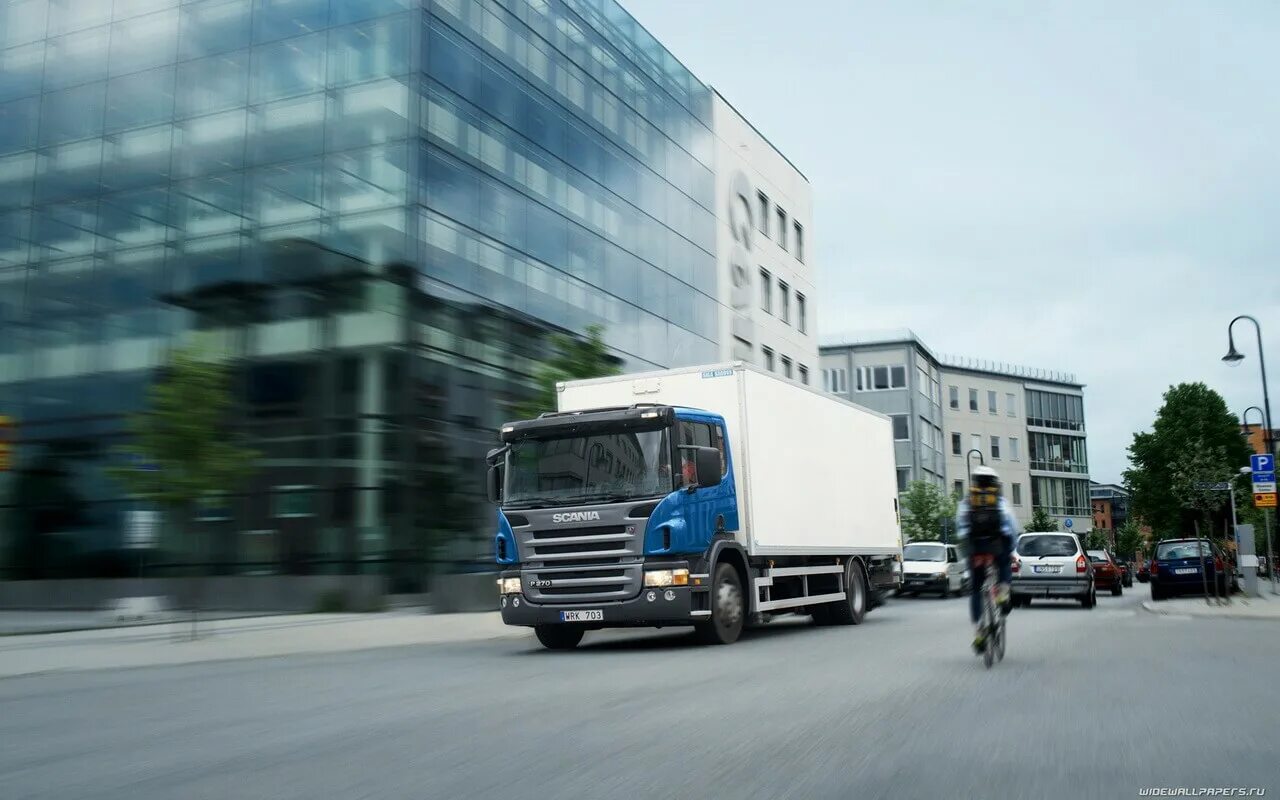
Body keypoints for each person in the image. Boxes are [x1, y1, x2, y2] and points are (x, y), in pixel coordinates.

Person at [955, 465, 1020, 651]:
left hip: (975, 548)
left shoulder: (967, 502)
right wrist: (1011, 550)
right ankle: (1003, 593)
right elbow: (1012, 527)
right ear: (994, 482)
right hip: (997, 545)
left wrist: (968, 550)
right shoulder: (1000, 502)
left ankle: (979, 633)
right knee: (1004, 561)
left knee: (975, 589)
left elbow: (961, 529)